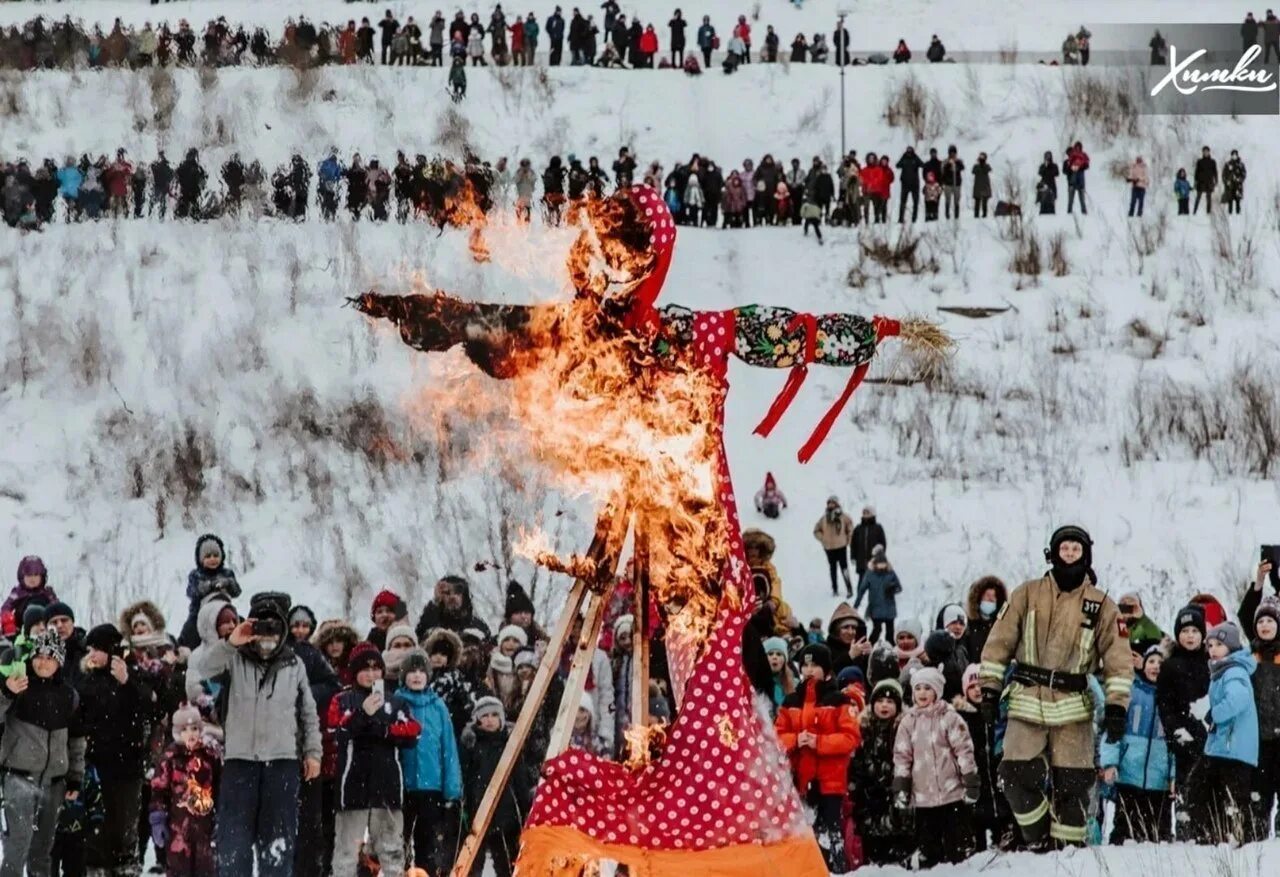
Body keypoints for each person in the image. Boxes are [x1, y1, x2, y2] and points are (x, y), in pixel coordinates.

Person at [978, 525, 1132, 849]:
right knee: (1013, 774)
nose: (1070, 554)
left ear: (1085, 554)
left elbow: (1118, 660)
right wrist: (990, 689)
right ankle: (1037, 840)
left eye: (1076, 549)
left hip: (1074, 706)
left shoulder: (1102, 605)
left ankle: (1066, 855)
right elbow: (999, 643)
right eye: (1065, 549)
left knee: (1074, 785)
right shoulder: (1027, 593)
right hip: (1027, 700)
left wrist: (1117, 706)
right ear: (1053, 553)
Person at [191, 591, 322, 877]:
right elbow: (203, 668)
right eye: (260, 625)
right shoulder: (233, 658)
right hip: (241, 763)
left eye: (274, 626)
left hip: (282, 763)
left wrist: (313, 753)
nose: (267, 634)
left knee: (277, 843)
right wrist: (231, 642)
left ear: (284, 629)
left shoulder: (294, 664)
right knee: (233, 843)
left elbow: (308, 714)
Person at [328, 643, 420, 877]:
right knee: (346, 852)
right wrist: (362, 715)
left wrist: (386, 731)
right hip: (351, 789)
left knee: (392, 852)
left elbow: (414, 731)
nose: (371, 674)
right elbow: (334, 732)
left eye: (376, 669)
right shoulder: (343, 699)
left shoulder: (395, 702)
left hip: (387, 787)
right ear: (354, 672)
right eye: (365, 669)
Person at [0, 630, 85, 877]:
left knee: (43, 851)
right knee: (16, 848)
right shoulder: (18, 683)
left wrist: (75, 777)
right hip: (18, 779)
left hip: (54, 783)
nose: (43, 661)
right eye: (39, 655)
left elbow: (76, 741)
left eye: (50, 656)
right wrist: (6, 692)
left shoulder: (69, 695)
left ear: (59, 660)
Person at [79, 622, 158, 877]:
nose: (91, 655)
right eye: (89, 649)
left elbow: (151, 707)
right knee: (96, 833)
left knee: (124, 833)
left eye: (97, 649)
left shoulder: (134, 676)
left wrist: (127, 682)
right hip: (96, 770)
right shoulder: (87, 683)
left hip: (127, 770)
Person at [776, 644, 860, 874]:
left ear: (826, 669)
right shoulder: (790, 700)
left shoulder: (839, 700)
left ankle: (838, 870)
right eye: (805, 664)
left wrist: (819, 742)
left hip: (830, 782)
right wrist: (795, 739)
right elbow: (775, 737)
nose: (809, 669)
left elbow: (850, 738)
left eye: (815, 665)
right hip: (800, 781)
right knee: (805, 833)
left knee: (832, 832)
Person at [891, 667, 977, 867]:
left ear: (937, 691)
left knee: (956, 843)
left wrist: (970, 778)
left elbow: (964, 750)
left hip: (951, 793)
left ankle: (960, 864)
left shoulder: (949, 718)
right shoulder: (908, 722)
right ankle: (929, 864)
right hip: (923, 797)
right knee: (929, 845)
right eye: (918, 688)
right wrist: (901, 785)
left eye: (927, 688)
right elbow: (902, 756)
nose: (922, 693)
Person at [396, 648, 462, 875]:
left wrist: (451, 789)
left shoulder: (438, 706)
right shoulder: (396, 703)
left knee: (427, 845)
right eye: (411, 671)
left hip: (431, 787)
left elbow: (448, 748)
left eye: (421, 671)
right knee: (399, 844)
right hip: (403, 788)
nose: (416, 675)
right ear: (403, 675)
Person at [1100, 645, 1173, 844]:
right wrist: (1109, 763)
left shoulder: (1172, 697)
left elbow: (1176, 743)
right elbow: (1112, 733)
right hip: (1129, 776)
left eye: (1161, 663)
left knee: (1158, 836)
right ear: (1143, 665)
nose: (1156, 666)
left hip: (1160, 781)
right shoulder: (1131, 692)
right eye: (1151, 661)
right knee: (1124, 832)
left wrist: (1174, 775)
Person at [1200, 622, 1258, 844]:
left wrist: (1214, 714)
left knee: (1232, 800)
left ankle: (1237, 839)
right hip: (1226, 747)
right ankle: (1223, 836)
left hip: (1234, 748)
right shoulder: (1223, 670)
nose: (1213, 649)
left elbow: (1238, 699)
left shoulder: (1233, 670)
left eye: (1219, 644)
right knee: (1222, 797)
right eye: (1210, 644)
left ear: (1232, 647)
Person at [462, 697, 534, 877]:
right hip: (478, 814)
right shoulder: (471, 745)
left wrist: (526, 807)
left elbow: (520, 780)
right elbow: (466, 778)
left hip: (506, 814)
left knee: (507, 863)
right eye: (484, 715)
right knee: (472, 863)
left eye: (494, 715)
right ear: (477, 719)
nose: (489, 719)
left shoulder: (510, 745)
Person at [1157, 603, 1211, 840]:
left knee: (1209, 795)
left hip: (1210, 741)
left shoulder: (1211, 664)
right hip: (1183, 742)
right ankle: (1185, 838)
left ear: (1202, 634)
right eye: (1185, 631)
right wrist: (1176, 730)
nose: (1190, 636)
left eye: (1195, 631)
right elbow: (1165, 704)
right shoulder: (1170, 666)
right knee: (1185, 794)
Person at [150, 705, 219, 877]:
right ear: (177, 733)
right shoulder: (170, 759)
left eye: (195, 728)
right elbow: (159, 790)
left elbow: (219, 789)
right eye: (185, 730)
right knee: (178, 870)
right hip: (178, 831)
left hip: (205, 831)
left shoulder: (210, 757)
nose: (191, 734)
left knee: (206, 870)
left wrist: (221, 819)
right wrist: (158, 818)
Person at [850, 679, 911, 866]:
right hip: (870, 796)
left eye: (890, 701)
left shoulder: (905, 729)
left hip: (897, 794)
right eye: (880, 701)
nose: (884, 705)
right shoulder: (863, 729)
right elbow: (856, 764)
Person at [179, 534, 240, 650]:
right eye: (208, 556)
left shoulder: (227, 574)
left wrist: (227, 583)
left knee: (239, 623)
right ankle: (184, 653)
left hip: (224, 611)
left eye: (216, 555)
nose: (212, 559)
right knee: (190, 630)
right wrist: (209, 586)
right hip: (200, 613)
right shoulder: (196, 575)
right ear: (201, 559)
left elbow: (237, 591)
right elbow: (191, 592)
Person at [854, 546, 901, 644]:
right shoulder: (870, 574)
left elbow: (899, 587)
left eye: (883, 564)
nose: (882, 566)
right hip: (875, 608)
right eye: (880, 564)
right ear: (875, 564)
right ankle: (868, 648)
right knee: (877, 630)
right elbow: (862, 590)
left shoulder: (890, 573)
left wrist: (892, 588)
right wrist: (856, 605)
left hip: (889, 608)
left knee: (890, 633)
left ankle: (892, 651)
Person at [815, 497, 855, 598]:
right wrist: (823, 538)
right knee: (833, 569)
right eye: (829, 503)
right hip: (829, 548)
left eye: (833, 503)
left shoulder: (843, 516)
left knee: (844, 568)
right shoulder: (824, 518)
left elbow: (850, 528)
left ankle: (849, 589)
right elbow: (816, 530)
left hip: (841, 546)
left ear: (837, 504)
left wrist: (848, 540)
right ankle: (835, 589)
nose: (831, 505)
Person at [963, 577, 1007, 662]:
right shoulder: (967, 625)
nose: (991, 599)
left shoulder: (1002, 625)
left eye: (994, 596)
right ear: (979, 598)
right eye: (987, 596)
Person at [850, 505, 887, 583]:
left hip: (874, 560)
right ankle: (859, 595)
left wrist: (881, 556)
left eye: (868, 513)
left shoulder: (878, 528)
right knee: (861, 582)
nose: (865, 515)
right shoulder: (858, 528)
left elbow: (882, 543)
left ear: (872, 514)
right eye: (864, 513)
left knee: (875, 582)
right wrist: (853, 556)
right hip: (861, 560)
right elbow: (853, 544)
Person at [895, 147, 922, 223]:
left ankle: (914, 218)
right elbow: (897, 165)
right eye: (908, 152)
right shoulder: (904, 158)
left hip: (915, 184)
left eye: (910, 152)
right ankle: (901, 218)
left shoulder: (915, 158)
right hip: (905, 184)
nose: (909, 153)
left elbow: (922, 164)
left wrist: (916, 157)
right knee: (903, 202)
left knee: (915, 202)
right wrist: (903, 158)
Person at [1064, 141, 1089, 215]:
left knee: (1082, 200)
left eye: (1079, 147)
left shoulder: (1083, 155)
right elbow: (1067, 167)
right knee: (1070, 200)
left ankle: (1084, 212)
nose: (1078, 148)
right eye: (1076, 147)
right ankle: (1069, 212)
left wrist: (1081, 166)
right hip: (1072, 180)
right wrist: (1072, 167)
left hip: (1081, 181)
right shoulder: (1072, 156)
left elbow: (1087, 164)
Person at [1194, 146, 1217, 214]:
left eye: (1207, 151)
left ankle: (1208, 213)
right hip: (1201, 182)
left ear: (1209, 152)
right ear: (1203, 152)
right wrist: (1195, 181)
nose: (1206, 153)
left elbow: (1215, 172)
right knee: (1198, 198)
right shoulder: (1199, 161)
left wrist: (1216, 180)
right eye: (1204, 151)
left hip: (1209, 182)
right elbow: (1196, 172)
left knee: (1209, 199)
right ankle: (1194, 211)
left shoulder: (1212, 161)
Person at [1222, 149, 1246, 214]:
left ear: (1237, 155)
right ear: (1231, 156)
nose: (1234, 156)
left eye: (1236, 155)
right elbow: (1224, 174)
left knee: (1238, 201)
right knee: (1230, 200)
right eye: (1233, 155)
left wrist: (1240, 179)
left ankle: (1238, 214)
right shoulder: (1228, 164)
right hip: (1230, 186)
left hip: (1238, 185)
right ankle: (1230, 213)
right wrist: (1226, 182)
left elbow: (1244, 174)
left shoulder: (1241, 164)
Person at [972, 152, 992, 218]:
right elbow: (973, 171)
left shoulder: (987, 166)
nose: (981, 159)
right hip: (978, 186)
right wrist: (979, 164)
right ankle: (976, 215)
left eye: (983, 157)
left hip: (985, 186)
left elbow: (989, 169)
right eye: (980, 157)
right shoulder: (976, 166)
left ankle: (984, 215)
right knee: (977, 201)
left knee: (984, 202)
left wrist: (983, 164)